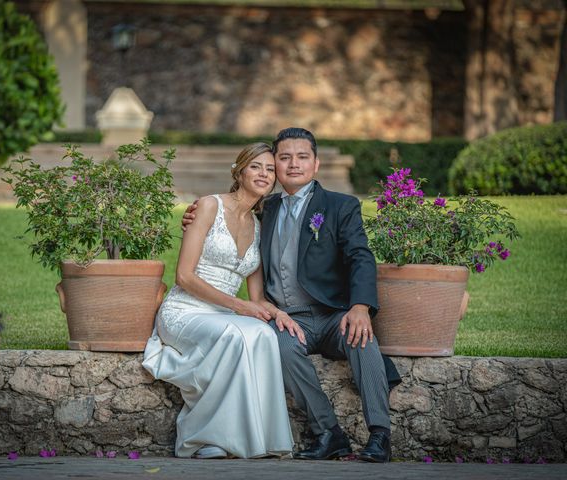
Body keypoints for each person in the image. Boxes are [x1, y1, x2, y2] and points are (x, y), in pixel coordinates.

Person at [183, 128, 400, 462]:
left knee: (362, 336)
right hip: (287, 317)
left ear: (315, 165)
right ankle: (329, 434)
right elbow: (231, 218)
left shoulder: (340, 205)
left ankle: (380, 435)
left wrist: (360, 307)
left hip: (332, 315)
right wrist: (194, 219)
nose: (293, 164)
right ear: (276, 165)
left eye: (302, 157)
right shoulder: (264, 209)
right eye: (284, 158)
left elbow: (360, 257)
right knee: (279, 347)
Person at [143, 142, 304, 460]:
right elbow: (185, 277)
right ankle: (204, 438)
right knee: (235, 334)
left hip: (221, 312)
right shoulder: (207, 206)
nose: (263, 174)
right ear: (239, 170)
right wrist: (242, 307)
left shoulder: (258, 228)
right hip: (184, 310)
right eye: (256, 166)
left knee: (262, 334)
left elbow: (256, 298)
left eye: (270, 169)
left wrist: (278, 313)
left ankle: (260, 438)